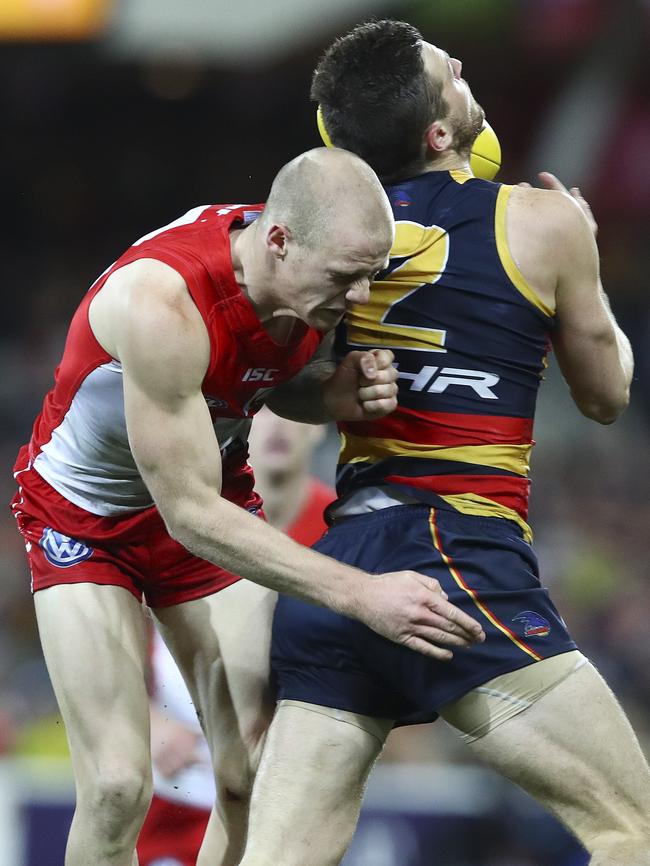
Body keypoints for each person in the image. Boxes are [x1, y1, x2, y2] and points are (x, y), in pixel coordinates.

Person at [239, 21, 650, 866]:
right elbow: (607, 397)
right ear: (439, 132)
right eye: (448, 72)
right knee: (633, 830)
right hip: (456, 554)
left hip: (339, 573)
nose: (463, 66)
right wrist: (588, 257)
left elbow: (282, 383)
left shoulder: (324, 239)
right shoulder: (542, 221)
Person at [11, 146, 485, 866]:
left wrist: (326, 393)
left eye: (369, 277)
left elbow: (247, 379)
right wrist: (362, 594)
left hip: (204, 493)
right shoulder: (160, 302)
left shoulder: (306, 275)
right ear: (278, 240)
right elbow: (191, 516)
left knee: (254, 771)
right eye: (345, 279)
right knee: (115, 788)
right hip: (87, 521)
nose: (359, 300)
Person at [137, 406, 334, 866]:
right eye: (265, 410)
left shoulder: (343, 533)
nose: (281, 424)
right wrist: (147, 722)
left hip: (285, 803)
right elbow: (107, 635)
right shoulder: (186, 515)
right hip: (175, 795)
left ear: (322, 423)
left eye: (294, 411)